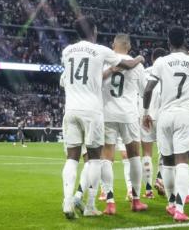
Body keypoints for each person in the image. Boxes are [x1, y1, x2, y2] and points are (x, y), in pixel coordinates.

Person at [60, 16, 144, 219]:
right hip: (93, 112)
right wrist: (140, 58)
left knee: (72, 158)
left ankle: (67, 201)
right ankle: (89, 206)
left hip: (70, 110)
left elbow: (66, 80)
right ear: (94, 31)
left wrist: (106, 72)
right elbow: (129, 63)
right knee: (96, 159)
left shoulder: (67, 51)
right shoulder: (101, 50)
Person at [142, 26, 189, 222]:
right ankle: (179, 208)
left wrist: (145, 113)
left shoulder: (161, 62)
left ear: (168, 42)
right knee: (183, 161)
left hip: (164, 116)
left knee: (167, 162)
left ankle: (170, 203)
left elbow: (148, 89)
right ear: (184, 41)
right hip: (185, 115)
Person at [99, 34, 148, 214]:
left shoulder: (105, 61)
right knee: (134, 156)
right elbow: (144, 91)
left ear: (113, 45)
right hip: (128, 115)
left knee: (107, 157)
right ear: (129, 47)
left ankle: (110, 203)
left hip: (107, 114)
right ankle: (135, 200)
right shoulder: (138, 65)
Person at [140, 48, 168, 199]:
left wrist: (144, 113)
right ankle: (160, 177)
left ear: (152, 58)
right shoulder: (168, 71)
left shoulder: (144, 72)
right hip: (163, 115)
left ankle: (148, 190)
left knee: (147, 154)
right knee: (165, 151)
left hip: (146, 115)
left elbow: (142, 92)